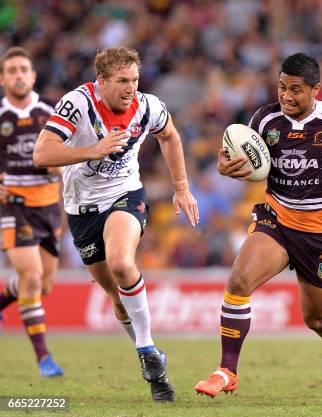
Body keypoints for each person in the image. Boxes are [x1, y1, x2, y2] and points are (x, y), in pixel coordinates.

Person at [194, 52, 322, 397]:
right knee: (239, 280)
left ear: (316, 90)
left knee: (317, 319)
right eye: (281, 87)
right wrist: (224, 165)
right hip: (276, 221)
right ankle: (226, 371)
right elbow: (243, 159)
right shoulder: (264, 119)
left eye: (296, 89)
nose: (286, 96)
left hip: (321, 235)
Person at [33, 46, 199, 402]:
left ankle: (146, 349)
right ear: (101, 82)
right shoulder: (77, 104)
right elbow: (42, 153)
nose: (130, 88)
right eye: (122, 81)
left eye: (135, 80)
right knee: (117, 298)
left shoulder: (148, 106)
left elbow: (170, 135)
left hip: (125, 195)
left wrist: (181, 188)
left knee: (123, 263)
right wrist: (91, 150)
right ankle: (155, 365)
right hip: (81, 209)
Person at [0, 47, 64, 377]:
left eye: (24, 69)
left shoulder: (50, 112)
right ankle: (44, 359)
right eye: (11, 70)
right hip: (13, 206)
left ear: (33, 75)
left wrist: (60, 169)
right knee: (31, 275)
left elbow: (67, 155)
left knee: (44, 286)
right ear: (3, 78)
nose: (18, 75)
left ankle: (4, 297)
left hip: (49, 206)